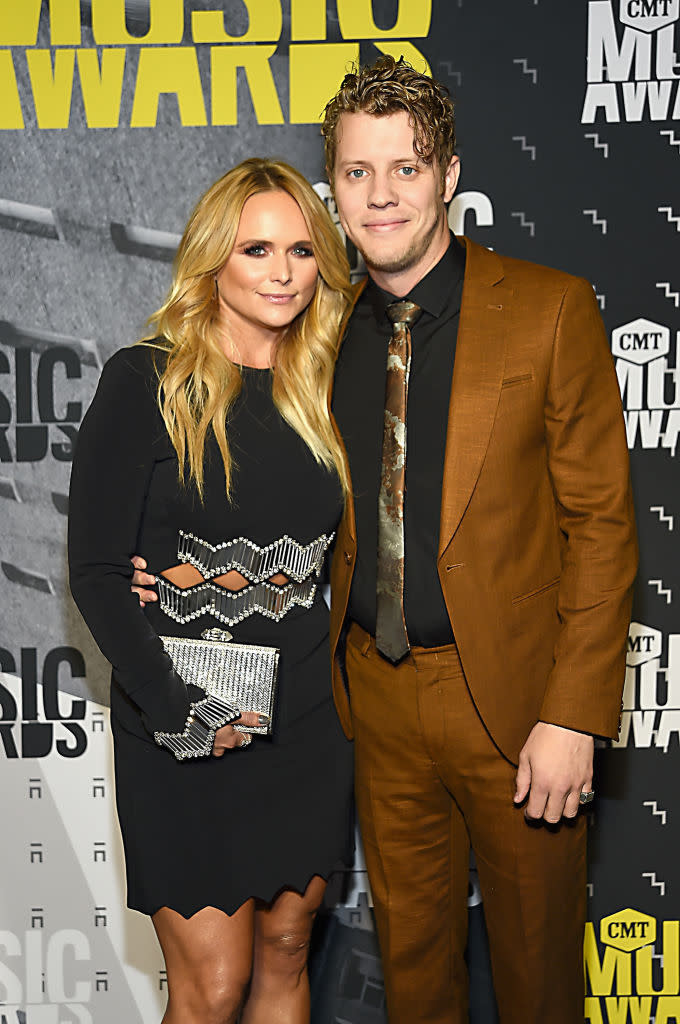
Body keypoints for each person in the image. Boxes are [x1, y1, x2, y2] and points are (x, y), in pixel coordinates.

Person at [131, 57, 638, 1023]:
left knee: (538, 983)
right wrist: (163, 570)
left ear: (448, 175)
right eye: (358, 173)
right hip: (374, 704)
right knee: (414, 981)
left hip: (521, 703)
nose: (382, 194)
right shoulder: (316, 328)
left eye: (405, 168)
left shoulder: (548, 308)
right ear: (336, 191)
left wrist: (573, 715)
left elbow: (605, 528)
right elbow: (245, 472)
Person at [68, 158, 355, 1024]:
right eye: (256, 248)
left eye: (303, 250)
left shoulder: (330, 386)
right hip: (181, 729)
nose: (281, 271)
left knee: (285, 955)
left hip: (306, 725)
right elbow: (96, 573)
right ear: (210, 260)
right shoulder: (143, 383)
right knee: (213, 985)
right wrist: (174, 704)